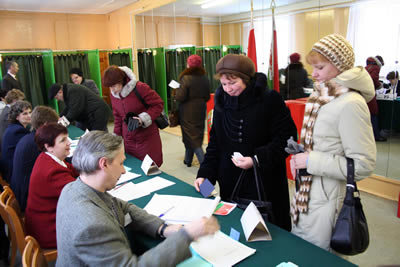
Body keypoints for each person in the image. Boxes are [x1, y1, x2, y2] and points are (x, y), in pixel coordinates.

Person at [56, 131, 219, 266]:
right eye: (121, 164)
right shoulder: (92, 225)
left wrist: (162, 228)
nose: (124, 171)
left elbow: (121, 206)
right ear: (103, 164)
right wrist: (186, 236)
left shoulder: (74, 188)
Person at [290, 34, 376, 251]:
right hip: (308, 192)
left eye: (320, 67)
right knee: (303, 252)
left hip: (327, 198)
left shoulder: (351, 103)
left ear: (339, 66)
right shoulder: (323, 95)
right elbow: (325, 144)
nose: (314, 74)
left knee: (319, 258)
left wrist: (311, 160)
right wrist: (302, 153)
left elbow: (363, 164)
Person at [194, 54, 297, 231]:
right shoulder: (221, 101)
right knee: (234, 230)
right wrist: (205, 175)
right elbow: (216, 144)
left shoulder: (269, 100)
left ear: (247, 79)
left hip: (263, 183)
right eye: (224, 84)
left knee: (267, 234)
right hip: (230, 182)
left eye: (233, 83)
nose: (227, 89)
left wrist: (256, 159)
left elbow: (287, 140)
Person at [25, 123, 78, 249]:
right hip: (49, 231)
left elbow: (73, 170)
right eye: (63, 140)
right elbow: (80, 193)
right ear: (48, 147)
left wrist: (90, 167)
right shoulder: (52, 171)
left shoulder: (48, 158)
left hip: (44, 223)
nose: (69, 143)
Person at [102, 65, 164, 166]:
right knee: (133, 167)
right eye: (110, 87)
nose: (112, 90)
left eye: (113, 86)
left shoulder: (140, 88)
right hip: (128, 139)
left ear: (120, 81)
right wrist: (116, 139)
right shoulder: (114, 94)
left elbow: (158, 104)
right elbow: (117, 117)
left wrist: (142, 119)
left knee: (150, 167)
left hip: (146, 137)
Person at [10, 106, 59, 212]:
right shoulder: (37, 143)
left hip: (22, 191)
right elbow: (54, 164)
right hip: (28, 199)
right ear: (45, 125)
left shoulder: (30, 138)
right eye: (54, 125)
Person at [175, 55, 210, 167]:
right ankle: (188, 160)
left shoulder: (186, 78)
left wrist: (176, 91)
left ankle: (204, 164)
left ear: (188, 64)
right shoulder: (205, 77)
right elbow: (207, 97)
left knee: (192, 138)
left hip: (187, 111)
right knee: (195, 135)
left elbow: (180, 97)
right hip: (200, 109)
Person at [0, 100, 31, 182]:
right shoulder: (17, 131)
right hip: (14, 176)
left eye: (29, 112)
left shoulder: (14, 127)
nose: (29, 116)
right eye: (25, 113)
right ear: (16, 117)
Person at [365, 56, 386, 141]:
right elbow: (374, 79)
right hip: (370, 94)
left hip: (364, 93)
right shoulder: (376, 67)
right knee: (374, 114)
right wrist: (379, 85)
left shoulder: (367, 67)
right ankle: (376, 135)